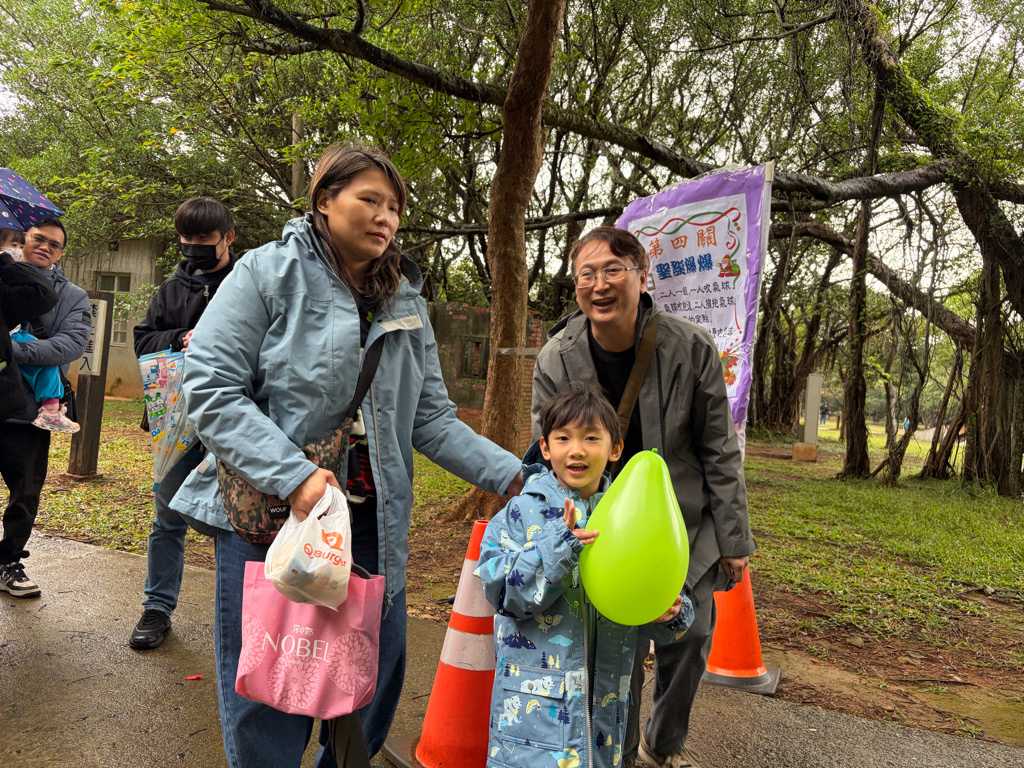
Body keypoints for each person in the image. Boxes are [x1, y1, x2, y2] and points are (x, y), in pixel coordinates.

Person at [174, 144, 524, 767]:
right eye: (369, 200)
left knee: (366, 693)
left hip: (372, 527)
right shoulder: (266, 272)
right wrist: (294, 477)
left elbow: (432, 420)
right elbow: (209, 386)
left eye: (395, 207)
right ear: (324, 200)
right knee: (271, 694)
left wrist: (517, 477)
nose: (386, 217)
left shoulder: (406, 300)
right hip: (279, 523)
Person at [531, 227, 755, 768]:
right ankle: (620, 754)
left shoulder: (690, 347)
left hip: (683, 525)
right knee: (617, 653)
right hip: (600, 531)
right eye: (587, 273)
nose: (599, 284)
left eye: (613, 270)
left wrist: (734, 540)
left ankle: (664, 745)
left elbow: (719, 448)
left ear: (642, 276)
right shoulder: (557, 358)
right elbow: (546, 452)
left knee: (691, 635)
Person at [477, 380, 692, 768]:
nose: (576, 449)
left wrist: (669, 613)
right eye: (563, 438)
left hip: (604, 722)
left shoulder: (633, 518)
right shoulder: (519, 514)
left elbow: (642, 598)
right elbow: (504, 594)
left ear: (615, 449)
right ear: (545, 448)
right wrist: (559, 545)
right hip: (532, 728)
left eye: (591, 437)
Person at [128, 197, 237, 650]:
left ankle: (238, 618)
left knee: (235, 524)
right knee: (167, 518)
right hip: (175, 424)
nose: (193, 245)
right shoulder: (171, 289)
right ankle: (157, 607)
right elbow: (143, 341)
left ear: (228, 237)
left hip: (234, 423)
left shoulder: (248, 285)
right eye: (186, 237)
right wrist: (179, 338)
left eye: (203, 237)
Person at [0, 218, 91, 598]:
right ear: (22, 240)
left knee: (25, 492)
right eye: (38, 239)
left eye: (54, 244)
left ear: (61, 253)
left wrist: (12, 350)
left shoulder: (73, 296)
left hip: (33, 409)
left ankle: (9, 561)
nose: (44, 247)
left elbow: (70, 344)